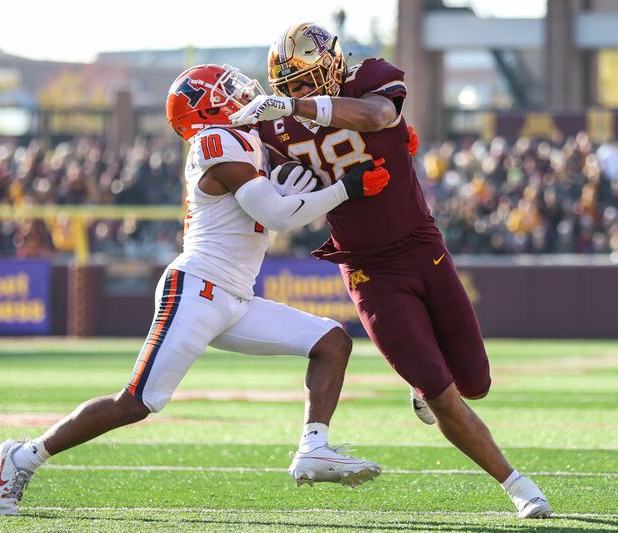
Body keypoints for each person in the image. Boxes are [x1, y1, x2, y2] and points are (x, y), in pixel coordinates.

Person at [0, 63, 389, 516]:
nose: (241, 92)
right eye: (227, 90)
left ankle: (313, 448)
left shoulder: (248, 141)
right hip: (198, 288)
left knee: (332, 341)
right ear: (207, 106)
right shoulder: (215, 140)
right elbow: (278, 217)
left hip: (235, 296)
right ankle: (22, 456)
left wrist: (383, 152)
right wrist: (344, 189)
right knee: (136, 402)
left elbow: (289, 192)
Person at [230, 23, 553, 519]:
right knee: (443, 393)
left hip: (423, 247)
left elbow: (379, 114)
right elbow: (252, 185)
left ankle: (426, 388)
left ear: (334, 67)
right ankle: (518, 485)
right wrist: (282, 187)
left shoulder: (369, 80)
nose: (297, 92)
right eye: (289, 87)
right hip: (367, 269)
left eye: (306, 81)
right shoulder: (271, 129)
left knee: (476, 382)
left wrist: (297, 108)